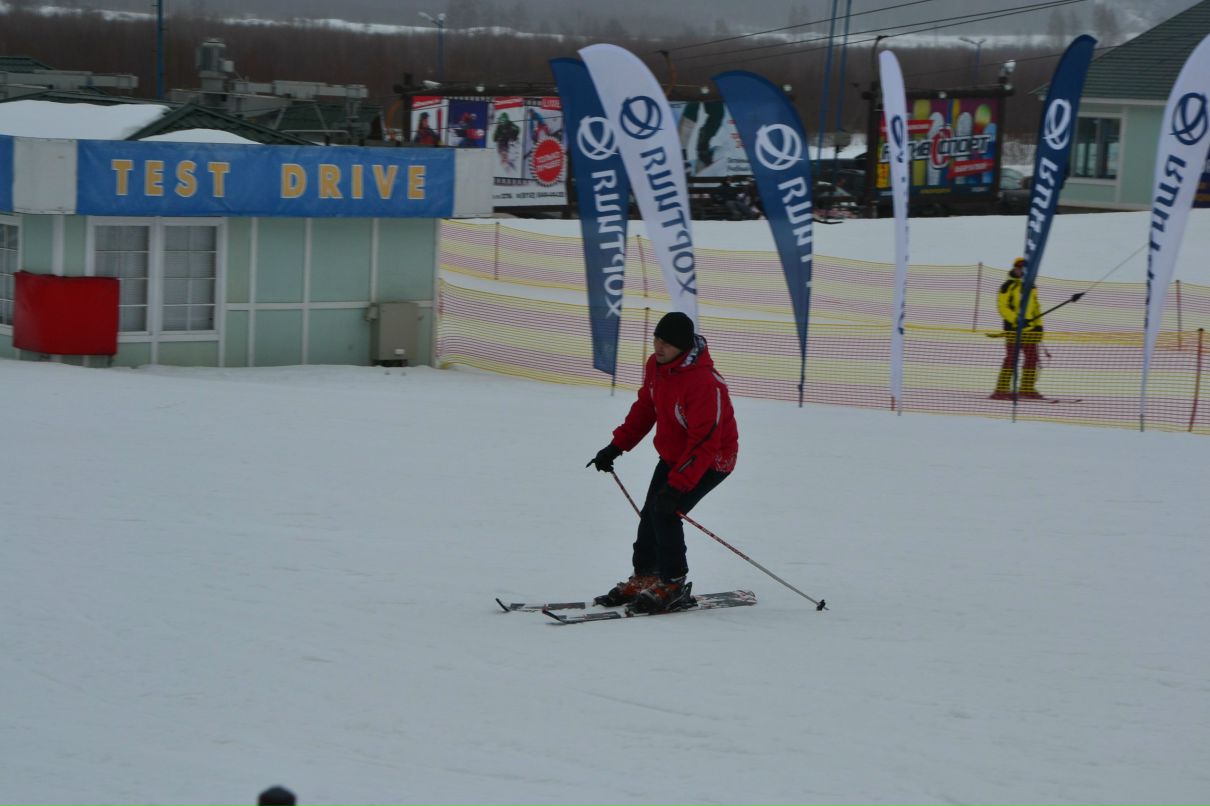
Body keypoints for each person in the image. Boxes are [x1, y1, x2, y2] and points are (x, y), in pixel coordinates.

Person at [586, 312, 739, 614]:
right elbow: (646, 409)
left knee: (665, 512)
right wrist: (616, 446)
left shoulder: (705, 384)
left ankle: (673, 583)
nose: (658, 346)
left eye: (666, 343)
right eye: (656, 339)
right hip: (674, 454)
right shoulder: (656, 367)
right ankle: (646, 575)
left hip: (712, 459)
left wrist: (678, 486)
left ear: (682, 346)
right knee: (651, 513)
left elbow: (705, 442)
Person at [991, 257, 1045, 400]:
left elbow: (1035, 307)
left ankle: (1027, 388)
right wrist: (1017, 319)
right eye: (1018, 267)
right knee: (1012, 358)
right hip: (1013, 329)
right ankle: (1001, 390)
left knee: (1032, 358)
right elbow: (1002, 307)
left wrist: (1039, 325)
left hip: (1030, 330)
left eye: (1023, 268)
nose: (1020, 270)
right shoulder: (1007, 286)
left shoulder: (1031, 286)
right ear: (1014, 268)